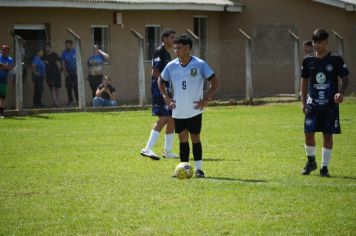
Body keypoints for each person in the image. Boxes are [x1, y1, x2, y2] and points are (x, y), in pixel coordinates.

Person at [158, 34, 219, 178]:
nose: (176, 51)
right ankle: (183, 168)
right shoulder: (171, 65)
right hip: (178, 110)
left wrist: (206, 99)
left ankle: (199, 169)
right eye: (175, 48)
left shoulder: (200, 64)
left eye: (179, 48)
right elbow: (160, 81)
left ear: (187, 48)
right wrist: (166, 97)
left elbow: (215, 82)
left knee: (195, 137)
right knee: (182, 138)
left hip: (194, 110)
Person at [300, 28, 349, 177]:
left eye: (320, 42)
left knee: (328, 135)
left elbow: (345, 79)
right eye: (315, 42)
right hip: (312, 104)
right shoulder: (308, 60)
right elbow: (304, 82)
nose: (316, 45)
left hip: (329, 105)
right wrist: (303, 102)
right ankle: (311, 162)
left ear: (326, 42)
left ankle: (324, 168)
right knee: (308, 133)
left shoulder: (336, 59)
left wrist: (340, 93)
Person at [140, 29, 179, 160]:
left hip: (166, 88)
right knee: (163, 118)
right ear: (164, 38)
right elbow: (155, 72)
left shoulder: (167, 54)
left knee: (171, 118)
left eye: (175, 37)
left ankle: (167, 151)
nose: (174, 40)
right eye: (172, 37)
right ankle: (147, 148)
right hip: (159, 89)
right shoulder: (160, 51)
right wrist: (164, 89)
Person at [43, 42, 62, 107]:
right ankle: (56, 103)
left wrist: (61, 69)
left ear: (50, 48)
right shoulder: (44, 56)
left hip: (56, 73)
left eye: (48, 47)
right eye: (46, 47)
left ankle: (56, 103)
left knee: (57, 88)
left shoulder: (54, 54)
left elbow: (60, 60)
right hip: (49, 74)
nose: (47, 48)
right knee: (52, 88)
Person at [61, 40, 78, 107]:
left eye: (68, 45)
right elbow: (63, 63)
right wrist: (65, 72)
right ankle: (70, 102)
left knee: (76, 87)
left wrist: (77, 71)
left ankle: (78, 101)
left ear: (71, 45)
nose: (67, 46)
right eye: (66, 45)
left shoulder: (75, 51)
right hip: (68, 73)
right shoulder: (64, 53)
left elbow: (78, 61)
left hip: (75, 73)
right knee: (69, 88)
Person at [0, 45, 14, 118]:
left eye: (5, 50)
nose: (4, 51)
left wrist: (2, 66)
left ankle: (1, 114)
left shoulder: (10, 59)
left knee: (2, 98)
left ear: (8, 52)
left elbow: (9, 68)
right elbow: (7, 67)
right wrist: (5, 66)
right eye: (3, 50)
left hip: (3, 80)